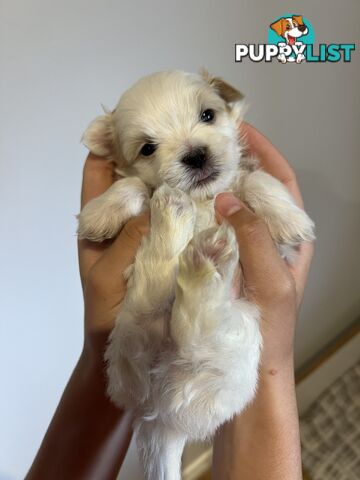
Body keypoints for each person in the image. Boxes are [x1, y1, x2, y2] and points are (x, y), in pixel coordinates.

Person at [26, 124, 314, 480]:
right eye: (148, 147)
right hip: (163, 345)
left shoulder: (242, 183)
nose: (192, 150)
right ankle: (200, 298)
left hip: (195, 360)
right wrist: (274, 366)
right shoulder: (139, 192)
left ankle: (200, 302)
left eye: (206, 115)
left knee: (208, 329)